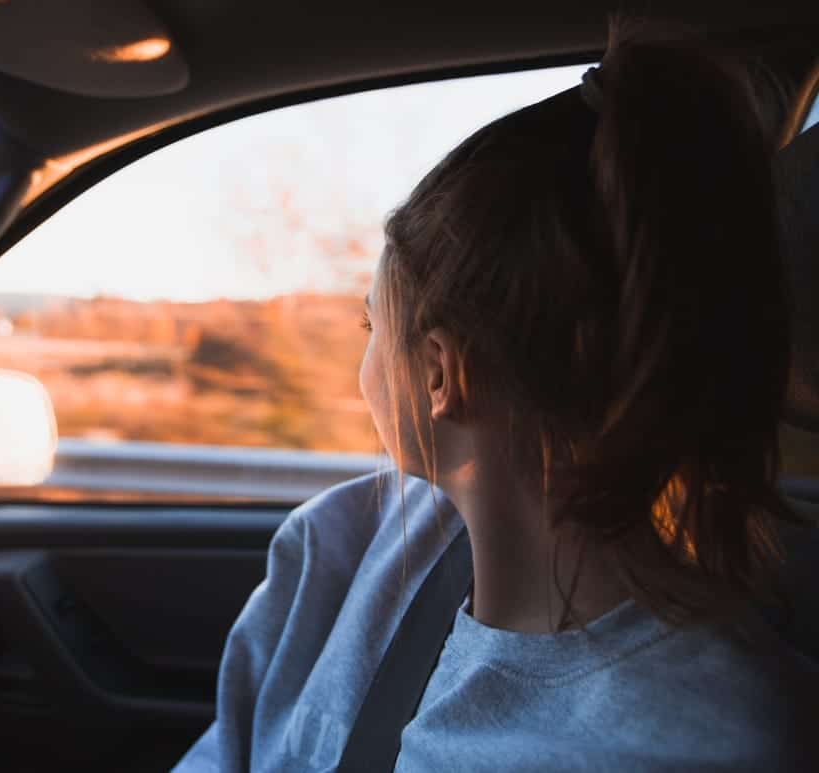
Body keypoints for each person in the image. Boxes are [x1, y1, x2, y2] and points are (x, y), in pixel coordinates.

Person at [171, 20, 819, 773]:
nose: (364, 355)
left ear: (442, 375)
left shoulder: (713, 745)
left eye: (370, 325)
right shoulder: (339, 546)